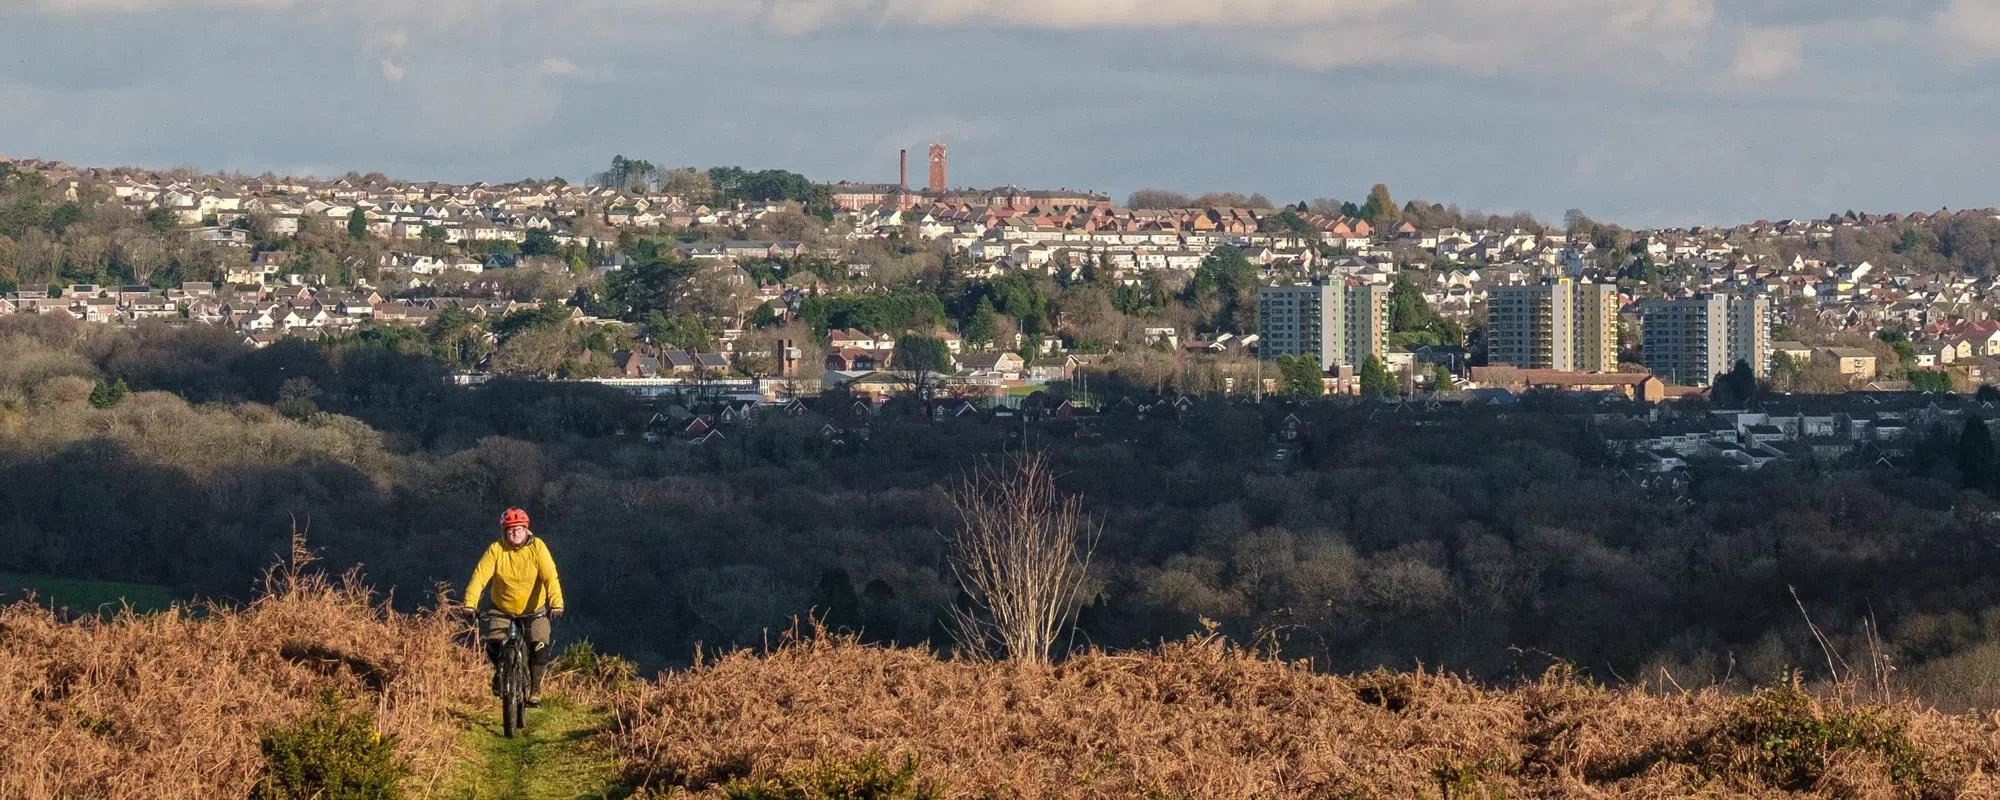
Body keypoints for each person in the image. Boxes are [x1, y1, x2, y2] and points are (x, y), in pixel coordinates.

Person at [462, 507, 566, 705]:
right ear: (503, 531)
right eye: (510, 529)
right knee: (493, 643)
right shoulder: (496, 550)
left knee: (539, 645)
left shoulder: (538, 548)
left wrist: (556, 603)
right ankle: (500, 673)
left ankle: (535, 690)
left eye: (519, 528)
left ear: (526, 529)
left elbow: (550, 576)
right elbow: (479, 576)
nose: (515, 532)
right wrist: (470, 603)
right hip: (502, 609)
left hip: (534, 611)